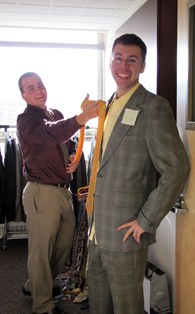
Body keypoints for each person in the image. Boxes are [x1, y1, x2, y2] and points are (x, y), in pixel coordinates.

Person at [86, 34, 190, 314]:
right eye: (118, 58)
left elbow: (177, 168)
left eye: (132, 60)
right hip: (96, 228)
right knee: (98, 303)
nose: (124, 65)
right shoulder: (106, 107)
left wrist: (147, 220)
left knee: (127, 307)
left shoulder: (154, 107)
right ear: (110, 63)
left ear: (142, 66)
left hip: (125, 232)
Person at [16, 72, 99, 314]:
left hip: (63, 192)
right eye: (31, 88)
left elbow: (67, 140)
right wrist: (82, 118)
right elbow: (50, 133)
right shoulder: (26, 121)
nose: (38, 90)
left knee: (63, 245)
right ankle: (42, 304)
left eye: (40, 85)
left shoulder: (56, 114)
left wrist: (73, 155)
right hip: (42, 192)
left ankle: (36, 284)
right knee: (41, 251)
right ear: (23, 95)